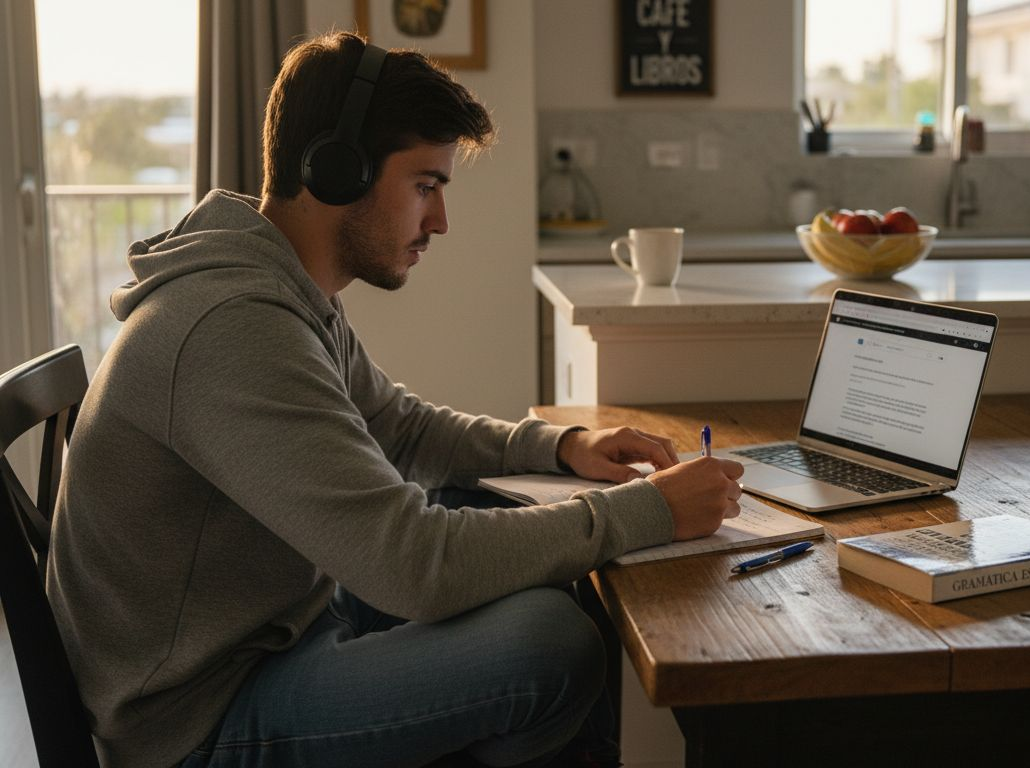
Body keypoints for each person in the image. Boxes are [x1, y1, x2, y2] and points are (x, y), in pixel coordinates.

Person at [45, 31, 744, 768]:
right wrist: (652, 511)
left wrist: (561, 447)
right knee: (552, 644)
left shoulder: (278, 287)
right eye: (424, 186)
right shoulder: (233, 326)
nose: (439, 221)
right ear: (336, 172)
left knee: (533, 552)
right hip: (199, 719)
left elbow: (399, 430)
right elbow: (413, 564)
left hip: (277, 626)